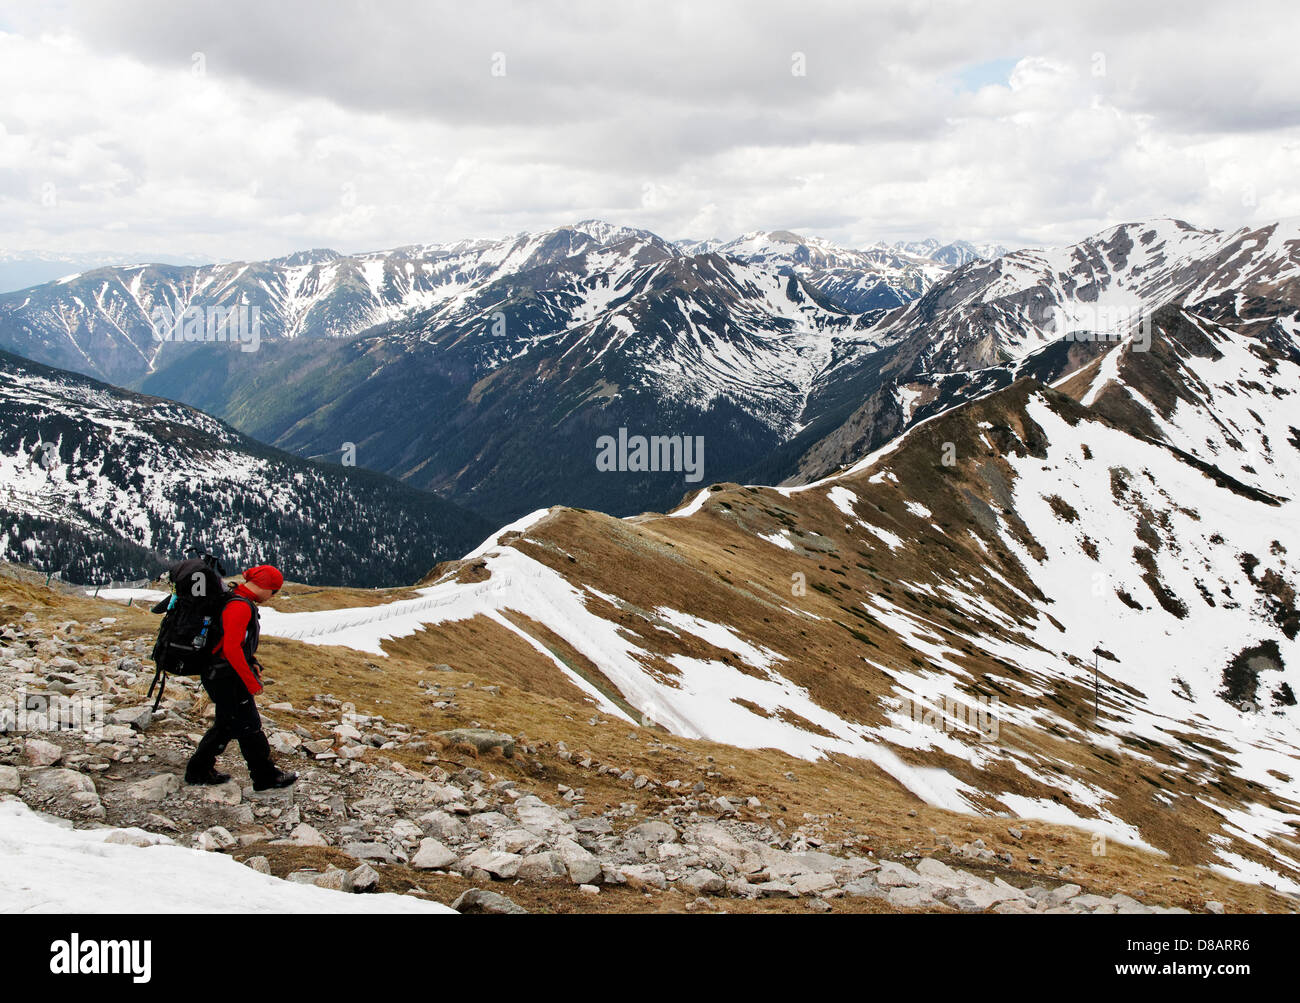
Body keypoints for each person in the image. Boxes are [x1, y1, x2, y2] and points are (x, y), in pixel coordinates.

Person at [184, 564, 297, 791]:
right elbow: (232, 648)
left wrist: (252, 663)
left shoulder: (234, 599)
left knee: (226, 724)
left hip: (218, 673)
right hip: (227, 676)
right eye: (273, 591)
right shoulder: (240, 607)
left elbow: (231, 644)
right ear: (264, 586)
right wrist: (250, 681)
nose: (273, 596)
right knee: (250, 726)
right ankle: (265, 777)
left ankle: (198, 770)